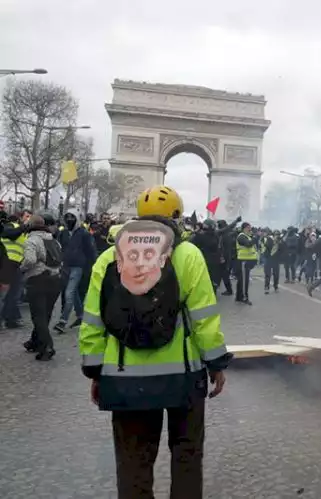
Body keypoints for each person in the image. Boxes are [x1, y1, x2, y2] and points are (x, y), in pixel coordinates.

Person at [78, 185, 232, 499]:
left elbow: (93, 320)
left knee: (133, 463)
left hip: (123, 377)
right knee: (187, 457)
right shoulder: (189, 254)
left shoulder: (110, 255)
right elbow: (203, 317)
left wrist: (95, 371)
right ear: (177, 215)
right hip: (183, 377)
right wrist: (215, 363)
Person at [21, 215, 62, 361]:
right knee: (46, 314)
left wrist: (22, 268)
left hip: (38, 280)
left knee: (38, 316)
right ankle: (35, 342)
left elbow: (30, 260)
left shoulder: (32, 240)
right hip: (55, 280)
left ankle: (47, 347)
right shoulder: (53, 240)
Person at [54, 212, 96, 334]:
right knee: (74, 292)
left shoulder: (84, 234)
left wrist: (92, 267)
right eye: (67, 217)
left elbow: (91, 251)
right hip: (66, 266)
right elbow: (59, 247)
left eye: (72, 217)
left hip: (78, 267)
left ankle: (63, 321)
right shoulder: (63, 233)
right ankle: (81, 315)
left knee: (69, 293)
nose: (70, 220)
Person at [1, 210, 31, 329]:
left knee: (14, 294)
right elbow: (7, 233)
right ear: (20, 217)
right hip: (7, 262)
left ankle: (11, 319)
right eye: (27, 216)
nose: (29, 219)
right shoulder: (12, 225)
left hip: (16, 265)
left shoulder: (25, 232)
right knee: (5, 294)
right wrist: (23, 227)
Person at [235, 222, 258, 304]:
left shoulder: (247, 236)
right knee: (245, 281)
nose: (250, 229)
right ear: (244, 228)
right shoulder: (241, 236)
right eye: (248, 228)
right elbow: (248, 245)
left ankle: (238, 297)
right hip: (243, 261)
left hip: (246, 261)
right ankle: (244, 297)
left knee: (241, 280)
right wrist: (255, 238)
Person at [262, 229, 282, 294]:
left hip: (276, 260)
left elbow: (282, 250)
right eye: (276, 235)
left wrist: (279, 242)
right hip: (268, 259)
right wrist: (274, 241)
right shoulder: (269, 240)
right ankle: (267, 287)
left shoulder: (280, 242)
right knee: (268, 274)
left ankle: (276, 286)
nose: (277, 236)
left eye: (278, 235)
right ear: (273, 235)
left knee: (276, 274)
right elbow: (267, 245)